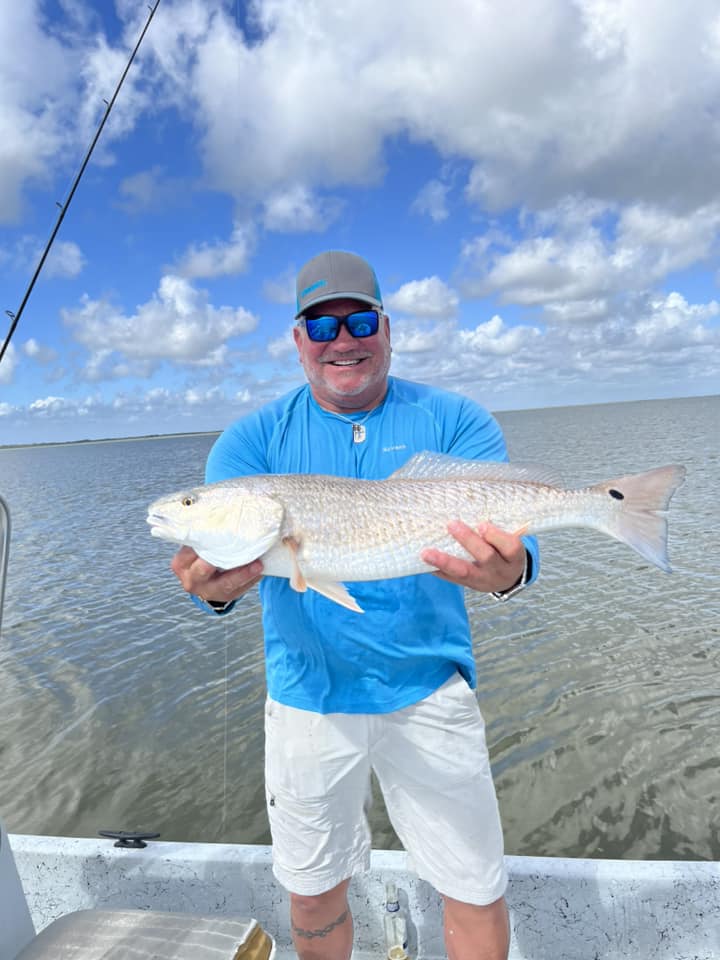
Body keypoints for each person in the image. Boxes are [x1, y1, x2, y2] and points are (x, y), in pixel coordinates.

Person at [171, 250, 539, 960]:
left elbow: (507, 551)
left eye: (360, 319)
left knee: (474, 883)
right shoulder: (252, 442)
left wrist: (511, 571)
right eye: (321, 324)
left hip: (430, 689)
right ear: (298, 341)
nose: (343, 339)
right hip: (308, 696)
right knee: (311, 889)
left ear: (388, 329)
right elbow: (217, 567)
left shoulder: (455, 419)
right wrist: (213, 591)